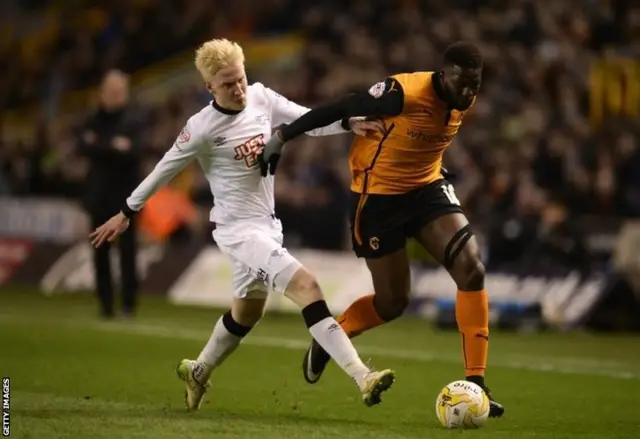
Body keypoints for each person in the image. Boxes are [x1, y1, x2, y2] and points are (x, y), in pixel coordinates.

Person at [89, 38, 395, 411]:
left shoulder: (261, 97)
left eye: (240, 79)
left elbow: (304, 121)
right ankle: (363, 376)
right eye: (227, 84)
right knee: (307, 286)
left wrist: (348, 122)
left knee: (247, 313)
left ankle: (198, 370)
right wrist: (126, 212)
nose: (238, 89)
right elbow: (163, 170)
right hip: (239, 231)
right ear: (209, 87)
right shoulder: (200, 128)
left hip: (267, 225)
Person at [259, 41, 505, 417]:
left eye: (475, 83)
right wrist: (283, 136)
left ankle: (477, 383)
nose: (469, 91)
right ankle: (331, 337)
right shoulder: (401, 93)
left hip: (427, 189)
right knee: (393, 303)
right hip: (378, 198)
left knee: (472, 268)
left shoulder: (464, 99)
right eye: (462, 82)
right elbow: (343, 106)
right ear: (444, 74)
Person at [77, 70, 142, 319]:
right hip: (99, 196)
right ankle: (105, 303)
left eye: (119, 91)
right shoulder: (92, 119)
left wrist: (100, 145)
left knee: (128, 252)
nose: (115, 96)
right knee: (100, 251)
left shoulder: (134, 121)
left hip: (127, 199)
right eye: (111, 91)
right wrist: (113, 146)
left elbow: (134, 151)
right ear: (102, 93)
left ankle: (128, 304)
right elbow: (85, 145)